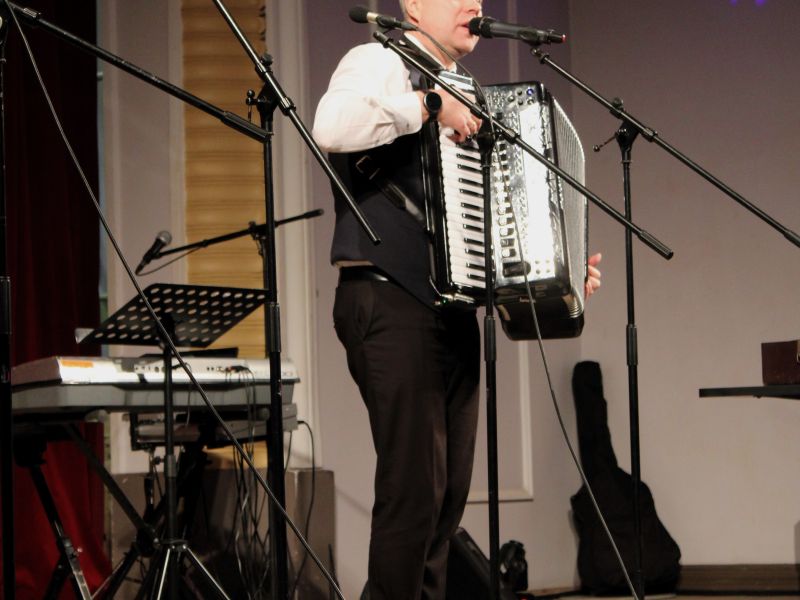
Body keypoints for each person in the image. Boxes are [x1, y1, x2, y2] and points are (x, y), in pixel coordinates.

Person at [313, 1, 601, 598]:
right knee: (413, 492)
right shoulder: (378, 60)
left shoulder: (469, 92)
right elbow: (331, 126)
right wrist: (427, 104)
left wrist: (557, 277)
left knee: (445, 499)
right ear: (414, 5)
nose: (476, 4)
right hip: (388, 299)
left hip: (450, 313)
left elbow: (475, 231)